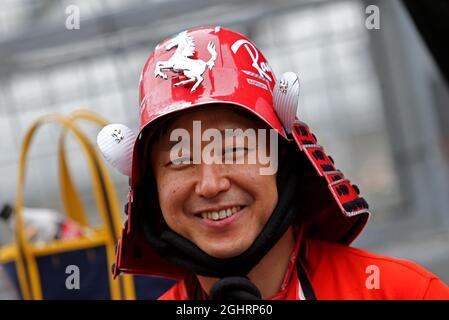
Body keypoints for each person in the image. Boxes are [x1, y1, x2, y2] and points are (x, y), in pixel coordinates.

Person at [105, 26, 449, 299]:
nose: (211, 185)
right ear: (151, 188)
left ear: (283, 161)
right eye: (181, 160)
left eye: (234, 150)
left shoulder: (404, 293)